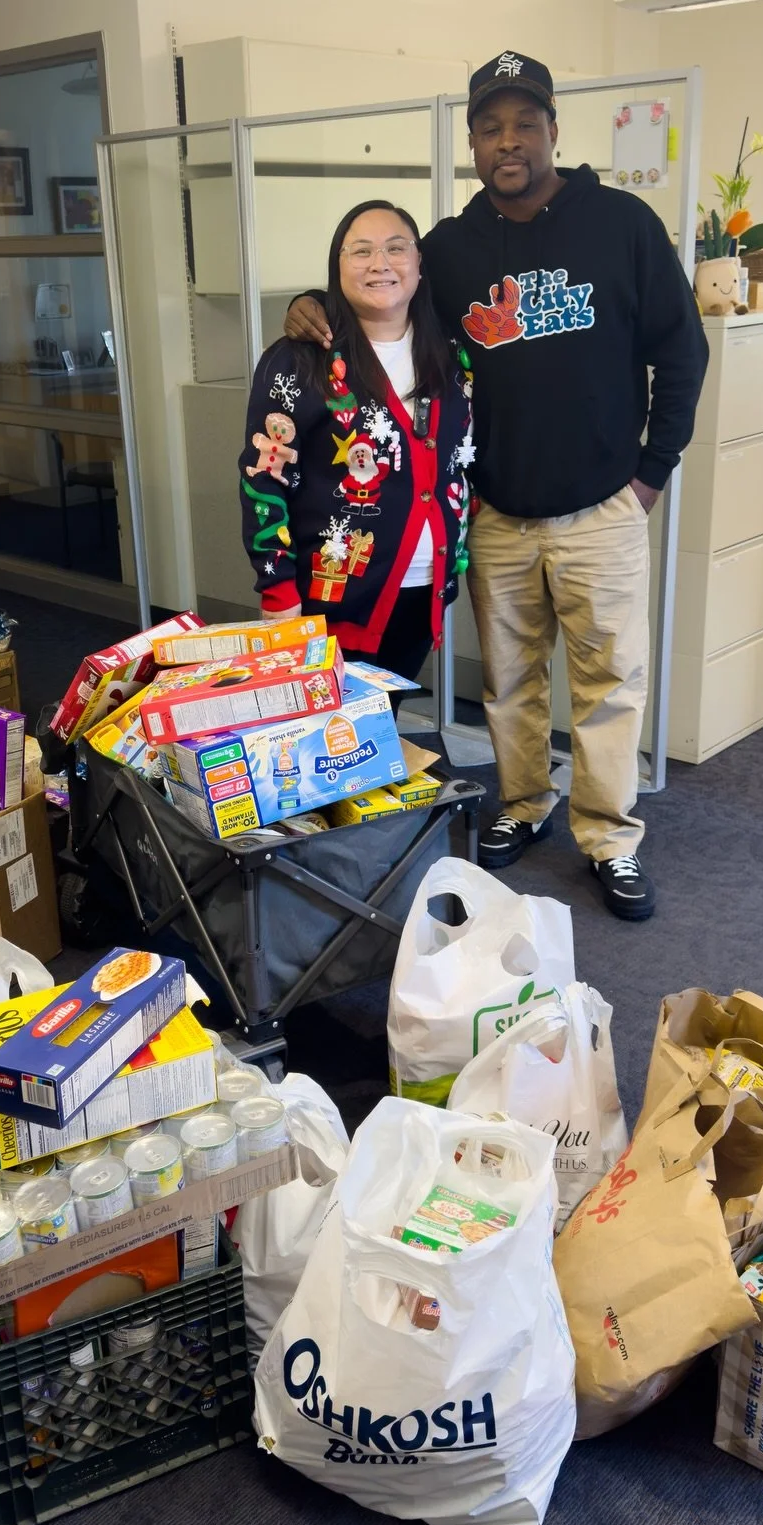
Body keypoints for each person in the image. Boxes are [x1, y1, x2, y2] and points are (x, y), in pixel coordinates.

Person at [285, 53, 708, 920]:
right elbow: (385, 294)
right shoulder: (449, 246)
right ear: (472, 139)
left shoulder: (623, 225)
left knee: (609, 684)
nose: (507, 140)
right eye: (489, 126)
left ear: (554, 129)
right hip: (496, 515)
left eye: (524, 123)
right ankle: (523, 806)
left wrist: (651, 476)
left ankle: (609, 837)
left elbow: (683, 351)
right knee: (510, 680)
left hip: (603, 507)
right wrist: (312, 303)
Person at [239, 199, 472, 685]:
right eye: (360, 251)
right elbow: (264, 477)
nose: (380, 264)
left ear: (419, 263)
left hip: (424, 585)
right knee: (329, 740)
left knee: (380, 724)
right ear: (337, 266)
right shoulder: (298, 361)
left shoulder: (452, 357)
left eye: (396, 248)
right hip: (331, 595)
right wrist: (278, 591)